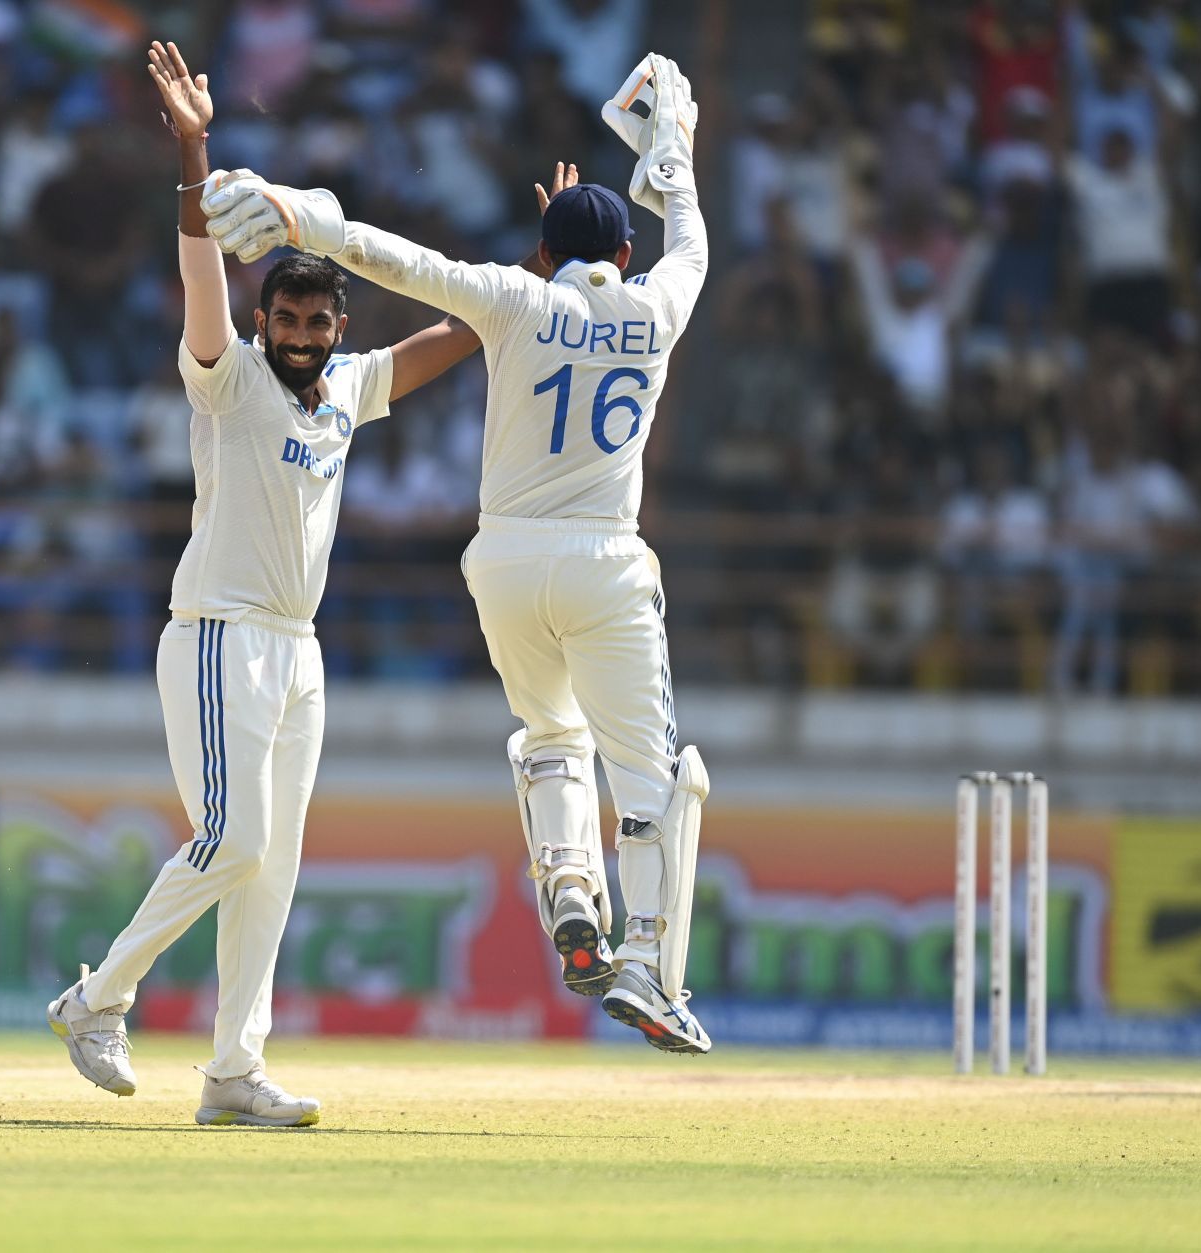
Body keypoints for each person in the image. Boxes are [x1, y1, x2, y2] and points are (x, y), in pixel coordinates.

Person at [199, 54, 715, 1053]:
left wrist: (294, 214)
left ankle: (571, 894)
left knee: (549, 731)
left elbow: (398, 260)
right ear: (621, 247)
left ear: (542, 247)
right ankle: (649, 965)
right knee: (649, 776)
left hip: (507, 562)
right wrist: (674, 153)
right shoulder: (655, 308)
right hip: (607, 558)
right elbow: (689, 241)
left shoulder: (515, 300)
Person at [45, 42, 495, 1127]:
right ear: (264, 327)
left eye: (315, 323)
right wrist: (195, 153)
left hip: (298, 647)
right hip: (216, 632)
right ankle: (97, 998)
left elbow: (461, 328)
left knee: (273, 865)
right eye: (285, 321)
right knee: (231, 840)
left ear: (338, 329)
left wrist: (532, 286)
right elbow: (202, 271)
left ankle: (234, 1072)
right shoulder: (229, 378)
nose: (298, 335)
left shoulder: (346, 389)